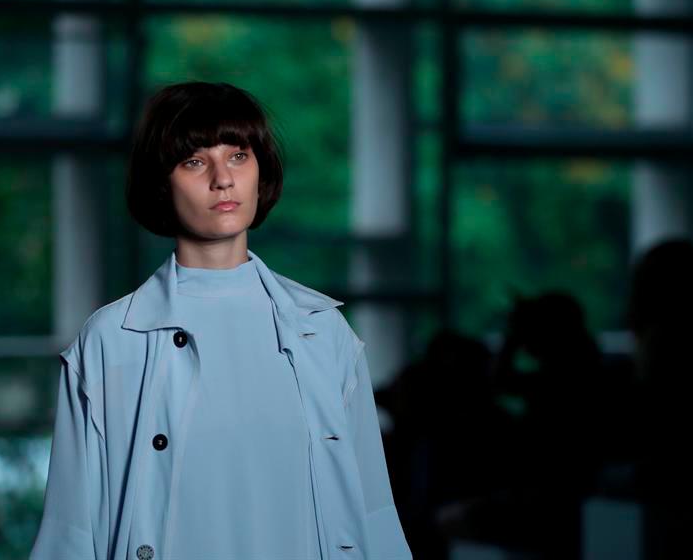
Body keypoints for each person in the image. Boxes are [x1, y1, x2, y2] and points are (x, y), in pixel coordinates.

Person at [30, 80, 411, 560]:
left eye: (238, 155)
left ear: (260, 171)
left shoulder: (325, 333)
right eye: (194, 161)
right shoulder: (110, 342)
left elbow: (374, 515)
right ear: (160, 182)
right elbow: (70, 530)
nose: (222, 178)